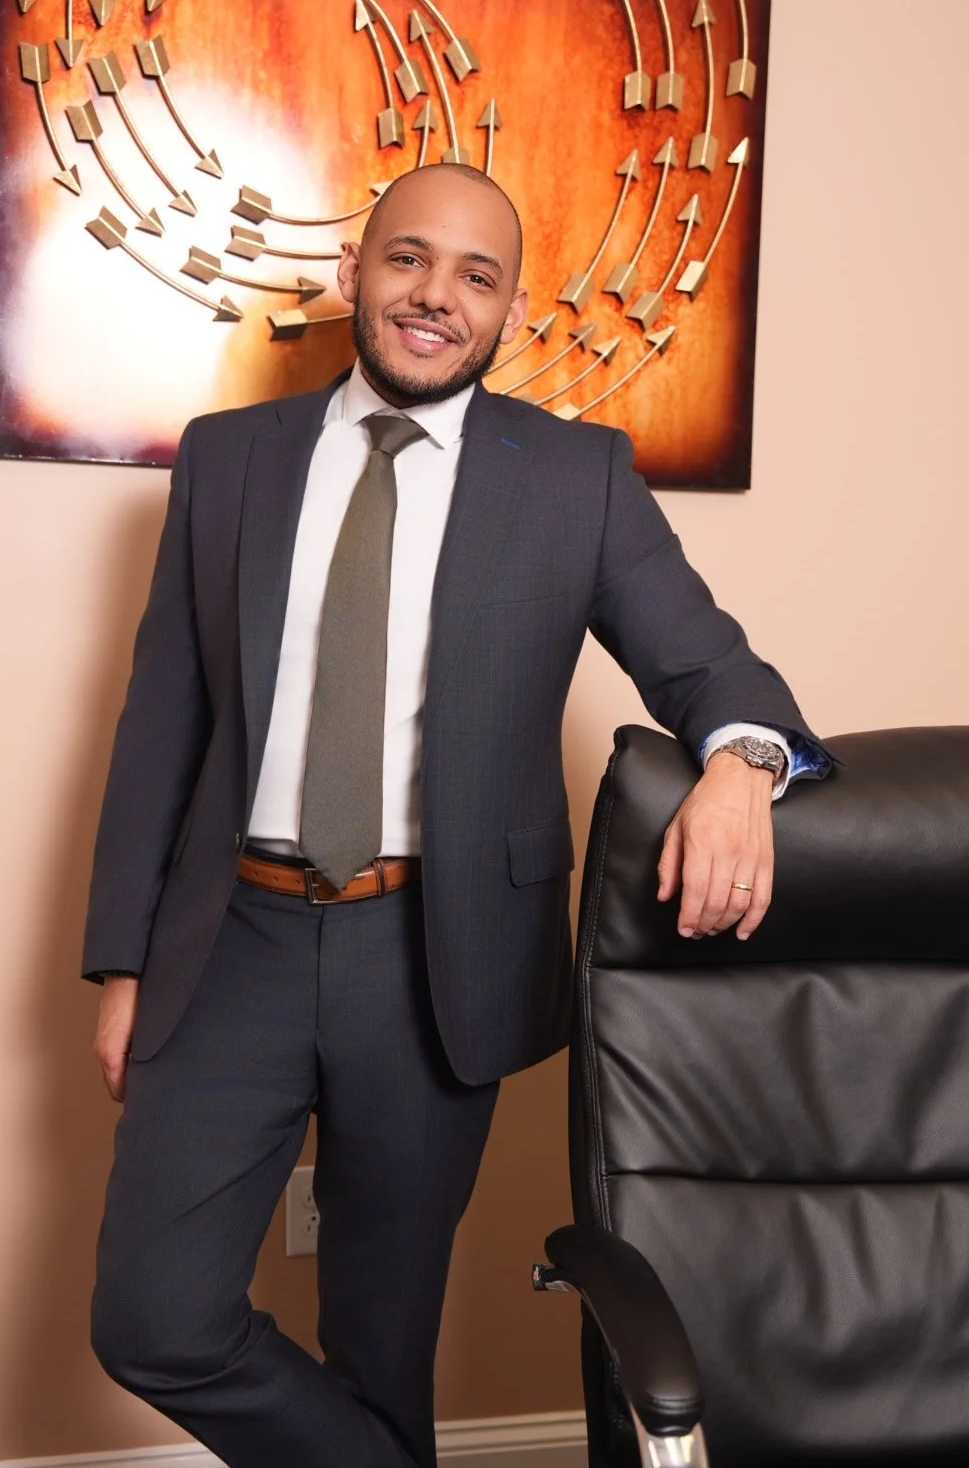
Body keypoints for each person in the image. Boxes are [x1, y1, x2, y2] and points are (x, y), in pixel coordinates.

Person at [84, 163, 829, 1468]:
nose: (437, 296)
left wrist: (738, 767)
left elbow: (714, 670)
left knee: (383, 1342)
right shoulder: (230, 460)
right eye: (409, 260)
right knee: (155, 1318)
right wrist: (122, 961)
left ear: (510, 309)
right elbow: (165, 722)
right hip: (229, 947)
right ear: (352, 273)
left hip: (434, 960)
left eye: (476, 276)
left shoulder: (575, 480)